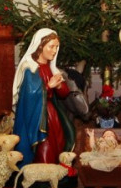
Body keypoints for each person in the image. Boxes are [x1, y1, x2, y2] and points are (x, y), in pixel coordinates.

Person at [12, 28, 75, 167]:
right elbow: (29, 96)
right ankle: (42, 173)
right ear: (40, 46)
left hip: (51, 114)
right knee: (44, 149)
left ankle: (54, 172)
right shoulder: (30, 68)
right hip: (37, 116)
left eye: (56, 47)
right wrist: (49, 86)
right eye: (51, 47)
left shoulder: (51, 68)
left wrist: (59, 85)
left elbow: (64, 93)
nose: (54, 51)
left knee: (57, 145)